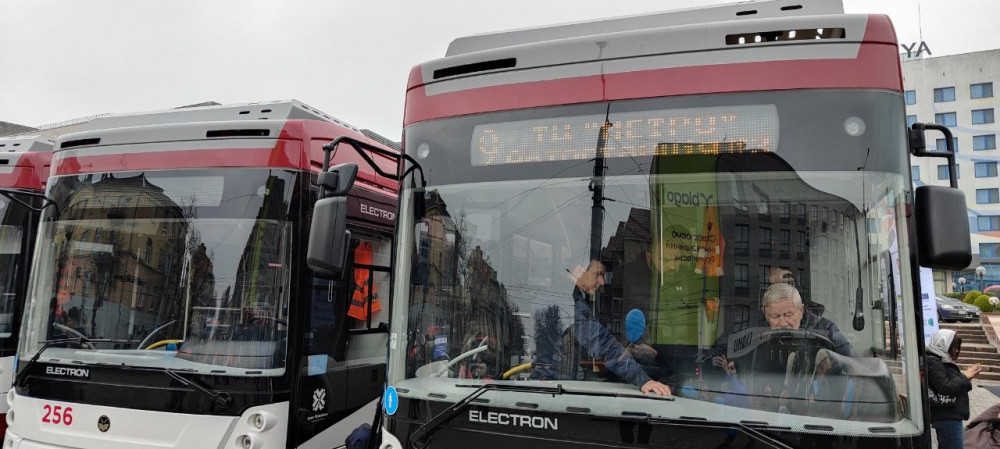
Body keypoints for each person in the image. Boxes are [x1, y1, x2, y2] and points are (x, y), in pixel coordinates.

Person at [535, 259, 671, 396]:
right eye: (598, 274)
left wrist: (629, 352)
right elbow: (601, 342)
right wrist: (642, 379)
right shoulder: (568, 302)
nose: (602, 282)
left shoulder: (563, 296)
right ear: (579, 271)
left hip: (550, 386)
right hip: (552, 389)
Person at [761, 283, 856, 357]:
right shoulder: (758, 332)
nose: (782, 323)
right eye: (775, 316)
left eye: (788, 315)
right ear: (766, 315)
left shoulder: (826, 329)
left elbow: (853, 363)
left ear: (801, 311)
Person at [927, 328, 980, 449]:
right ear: (944, 343)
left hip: (949, 414)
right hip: (947, 416)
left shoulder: (941, 359)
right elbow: (945, 387)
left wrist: (967, 377)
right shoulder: (934, 361)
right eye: (954, 346)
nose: (956, 350)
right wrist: (965, 376)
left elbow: (950, 385)